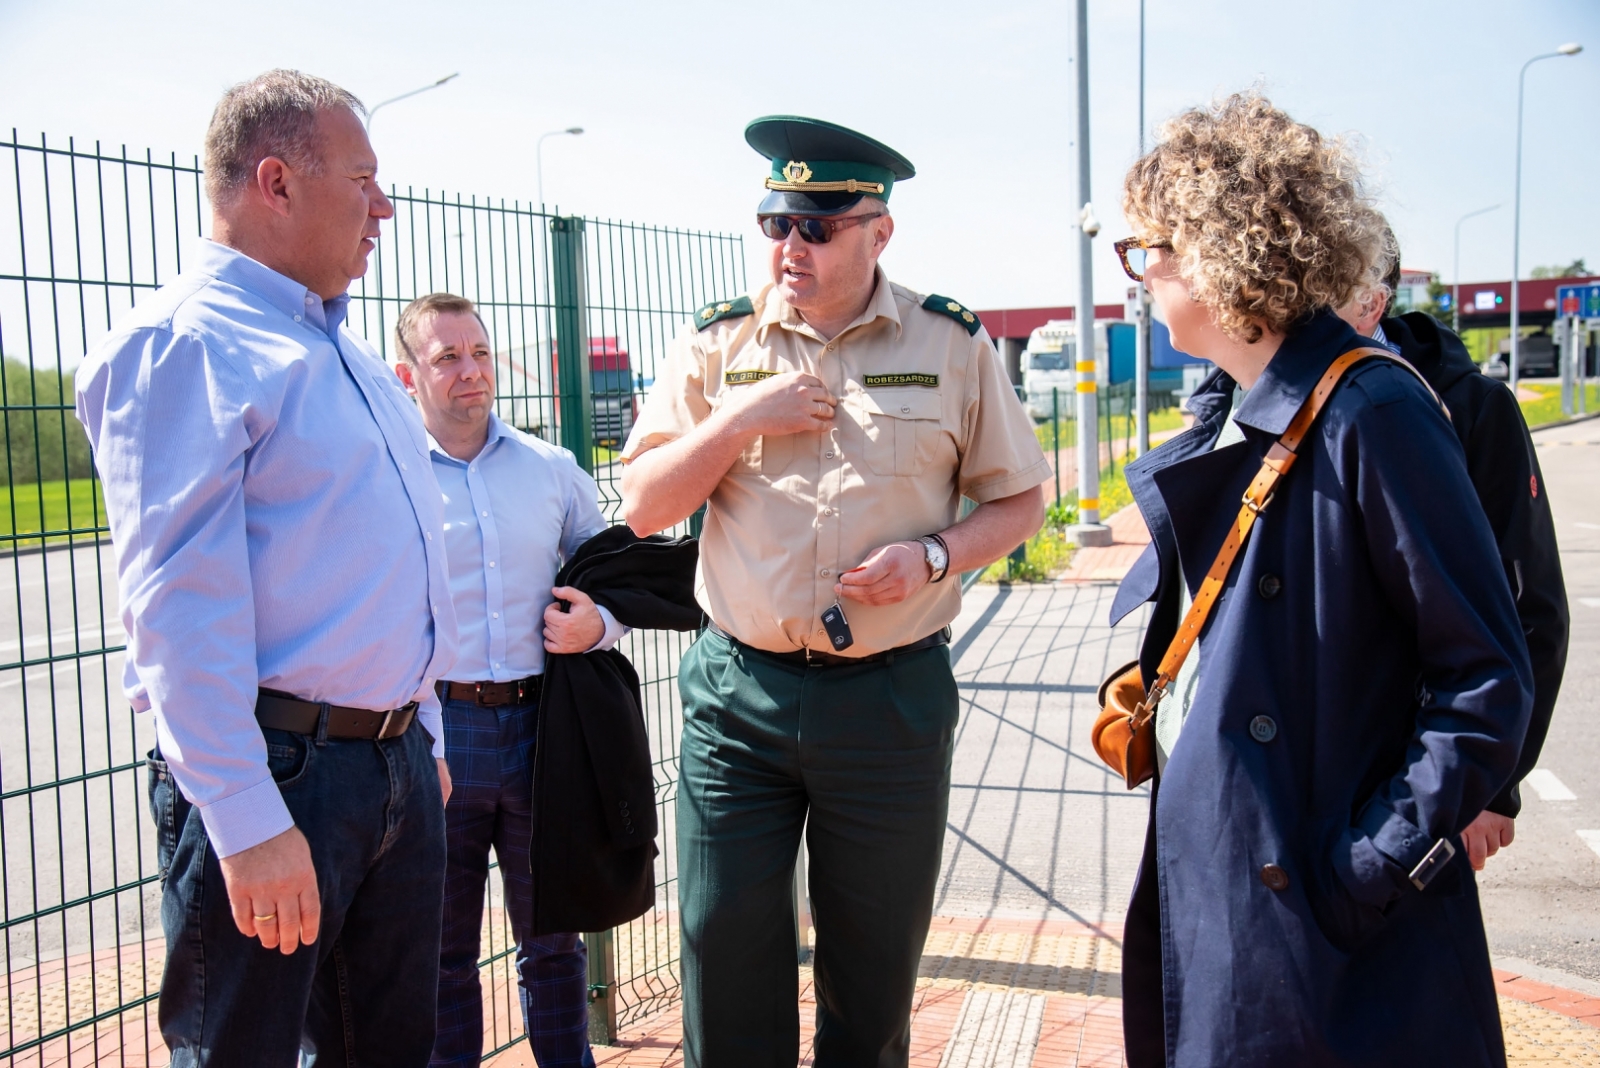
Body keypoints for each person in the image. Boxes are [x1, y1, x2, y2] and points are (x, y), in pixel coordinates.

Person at [1108, 93, 1532, 1067]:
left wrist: (1365, 868)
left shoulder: (1371, 407)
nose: (1141, 275)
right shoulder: (1235, 405)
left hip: (1318, 916)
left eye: (1150, 247)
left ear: (1220, 249)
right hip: (1233, 875)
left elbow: (1484, 676)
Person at [619, 115, 1049, 1067]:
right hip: (742, 697)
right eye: (776, 224)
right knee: (723, 949)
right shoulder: (718, 344)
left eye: (818, 227)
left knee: (873, 972)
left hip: (888, 700)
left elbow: (1021, 500)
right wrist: (737, 420)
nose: (790, 247)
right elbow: (645, 505)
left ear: (878, 232)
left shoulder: (950, 341)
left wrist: (935, 557)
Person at [74, 70, 458, 1065]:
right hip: (280, 777)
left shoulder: (349, 355)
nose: (384, 207)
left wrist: (425, 734)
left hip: (392, 767)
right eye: (364, 180)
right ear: (277, 183)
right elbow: (176, 609)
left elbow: (399, 564)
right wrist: (244, 822)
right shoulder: (185, 347)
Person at [391, 292, 623, 1068]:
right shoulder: (388, 477)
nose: (470, 372)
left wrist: (602, 624)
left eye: (480, 353)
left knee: (554, 944)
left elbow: (610, 574)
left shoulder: (551, 470)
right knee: (441, 954)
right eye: (447, 357)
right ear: (407, 374)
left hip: (538, 733)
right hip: (437, 736)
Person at [1338, 241, 1569, 872]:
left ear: (1373, 304)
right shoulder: (1266, 396)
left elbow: (1531, 606)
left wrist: (1493, 785)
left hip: (1425, 772)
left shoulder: (1470, 408)